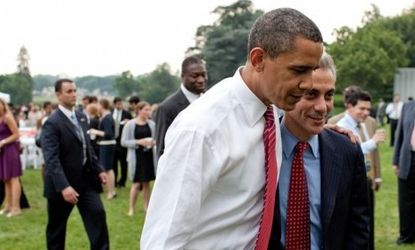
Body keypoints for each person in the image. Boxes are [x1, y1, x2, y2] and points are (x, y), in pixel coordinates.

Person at [141, 8, 324, 249]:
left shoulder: (269, 110)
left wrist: (333, 132)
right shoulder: (202, 130)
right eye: (299, 70)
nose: (309, 83)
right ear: (259, 60)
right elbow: (162, 241)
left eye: (312, 70)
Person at [272, 52, 370, 249]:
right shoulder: (259, 148)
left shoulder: (347, 151)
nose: (322, 107)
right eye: (311, 94)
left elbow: (358, 229)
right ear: (288, 93)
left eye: (329, 95)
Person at [41, 79, 109, 250]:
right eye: (69, 91)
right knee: (57, 230)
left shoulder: (80, 116)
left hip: (86, 181)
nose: (73, 94)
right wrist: (64, 187)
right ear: (58, 95)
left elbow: (87, 147)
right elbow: (51, 159)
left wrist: (99, 169)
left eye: (74, 90)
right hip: (61, 186)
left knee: (98, 215)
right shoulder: (52, 122)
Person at [328, 88, 384, 250]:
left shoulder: (363, 125)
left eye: (368, 109)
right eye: (362, 108)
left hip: (364, 181)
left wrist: (376, 176)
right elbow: (351, 152)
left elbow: (373, 155)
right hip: (347, 185)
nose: (366, 113)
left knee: (367, 224)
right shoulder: (340, 126)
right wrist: (373, 142)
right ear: (349, 106)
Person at [154, 56, 207, 158]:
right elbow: (162, 151)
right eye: (195, 76)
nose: (201, 80)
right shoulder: (166, 108)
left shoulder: (211, 101)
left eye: (203, 75)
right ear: (182, 76)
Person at [121, 101, 157, 215]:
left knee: (147, 183)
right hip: (136, 157)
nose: (148, 112)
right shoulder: (130, 124)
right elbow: (123, 142)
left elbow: (156, 138)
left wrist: (153, 142)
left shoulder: (152, 124)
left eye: (149, 110)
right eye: (146, 109)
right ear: (139, 110)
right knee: (136, 184)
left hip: (148, 156)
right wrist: (138, 142)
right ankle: (131, 208)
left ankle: (147, 207)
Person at [393, 99, 415, 245]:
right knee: (405, 201)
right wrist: (396, 161)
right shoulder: (407, 107)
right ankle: (406, 236)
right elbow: (399, 134)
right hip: (408, 158)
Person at [89, 98, 117, 200]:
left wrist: (95, 131)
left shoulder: (107, 118)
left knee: (107, 169)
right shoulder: (106, 117)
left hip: (107, 144)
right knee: (109, 169)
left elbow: (109, 134)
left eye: (98, 105)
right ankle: (112, 191)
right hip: (106, 144)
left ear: (102, 105)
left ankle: (111, 191)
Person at [0, 98, 23, 217]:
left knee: (14, 178)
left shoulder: (7, 117)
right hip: (2, 151)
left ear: (3, 105)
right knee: (6, 179)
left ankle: (16, 208)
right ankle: (8, 206)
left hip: (10, 150)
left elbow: (16, 134)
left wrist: (3, 142)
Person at [112, 97, 132, 188]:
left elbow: (132, 124)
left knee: (124, 163)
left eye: (121, 103)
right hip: (113, 141)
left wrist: (129, 122)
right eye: (118, 104)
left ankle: (122, 181)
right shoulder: (111, 113)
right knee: (114, 163)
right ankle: (114, 181)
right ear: (114, 104)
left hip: (122, 140)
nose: (120, 105)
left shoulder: (127, 114)